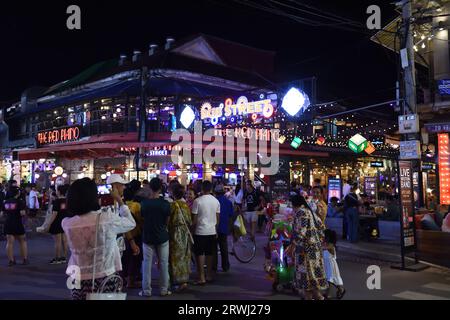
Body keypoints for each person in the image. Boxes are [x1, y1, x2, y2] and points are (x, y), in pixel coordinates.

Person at [62, 178, 136, 300]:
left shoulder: (67, 223)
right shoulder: (106, 219)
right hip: (104, 275)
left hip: (77, 277)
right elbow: (130, 223)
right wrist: (119, 200)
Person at [288, 194, 327, 300]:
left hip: (304, 250)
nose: (292, 207)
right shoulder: (310, 211)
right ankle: (318, 297)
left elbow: (301, 232)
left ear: (295, 204)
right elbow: (322, 227)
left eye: (292, 205)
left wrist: (292, 246)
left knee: (306, 278)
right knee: (313, 277)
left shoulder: (301, 212)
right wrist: (318, 240)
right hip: (315, 250)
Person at [140, 178, 172, 297]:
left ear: (150, 187)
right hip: (162, 236)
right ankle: (164, 289)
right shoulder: (165, 204)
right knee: (164, 263)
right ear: (160, 188)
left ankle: (146, 290)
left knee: (147, 264)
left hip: (147, 236)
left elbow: (143, 219)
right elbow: (167, 221)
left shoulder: (144, 203)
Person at [191, 180, 220, 285]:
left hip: (200, 231)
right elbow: (217, 219)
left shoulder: (197, 201)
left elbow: (194, 220)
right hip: (211, 231)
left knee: (200, 254)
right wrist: (215, 229)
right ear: (211, 189)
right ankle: (209, 275)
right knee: (209, 253)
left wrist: (192, 230)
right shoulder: (216, 201)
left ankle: (201, 277)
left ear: (202, 189)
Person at [169, 184, 192, 292]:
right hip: (185, 233)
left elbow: (169, 221)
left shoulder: (173, 205)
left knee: (175, 257)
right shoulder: (185, 205)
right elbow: (190, 221)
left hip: (175, 233)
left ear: (173, 193)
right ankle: (184, 280)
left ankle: (177, 281)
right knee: (184, 256)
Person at [122, 184, 144, 289]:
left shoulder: (121, 206)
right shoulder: (136, 206)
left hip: (124, 236)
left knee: (125, 258)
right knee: (135, 258)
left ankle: (124, 279)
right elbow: (141, 220)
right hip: (136, 235)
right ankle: (131, 280)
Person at [3, 187, 28, 266]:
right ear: (18, 193)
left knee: (9, 242)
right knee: (22, 241)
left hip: (8, 222)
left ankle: (11, 260)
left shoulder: (5, 202)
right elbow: (22, 213)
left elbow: (2, 214)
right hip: (17, 222)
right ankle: (24, 259)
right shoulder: (20, 202)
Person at [213, 184, 234, 272]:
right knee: (224, 248)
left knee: (213, 248)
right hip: (224, 227)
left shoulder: (213, 202)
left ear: (215, 193)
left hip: (214, 228)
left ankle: (213, 267)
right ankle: (225, 266)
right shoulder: (228, 202)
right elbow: (231, 215)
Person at [48, 184, 70, 264]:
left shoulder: (57, 201)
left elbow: (54, 214)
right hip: (65, 221)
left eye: (57, 190)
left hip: (57, 222)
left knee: (58, 242)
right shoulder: (67, 201)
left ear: (59, 191)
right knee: (65, 240)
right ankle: (64, 257)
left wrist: (49, 224)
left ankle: (57, 258)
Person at [323, 229, 346, 299]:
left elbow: (324, 248)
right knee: (331, 280)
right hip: (327, 265)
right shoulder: (326, 244)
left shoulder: (331, 246)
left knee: (330, 280)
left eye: (325, 237)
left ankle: (329, 293)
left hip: (331, 266)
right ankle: (340, 290)